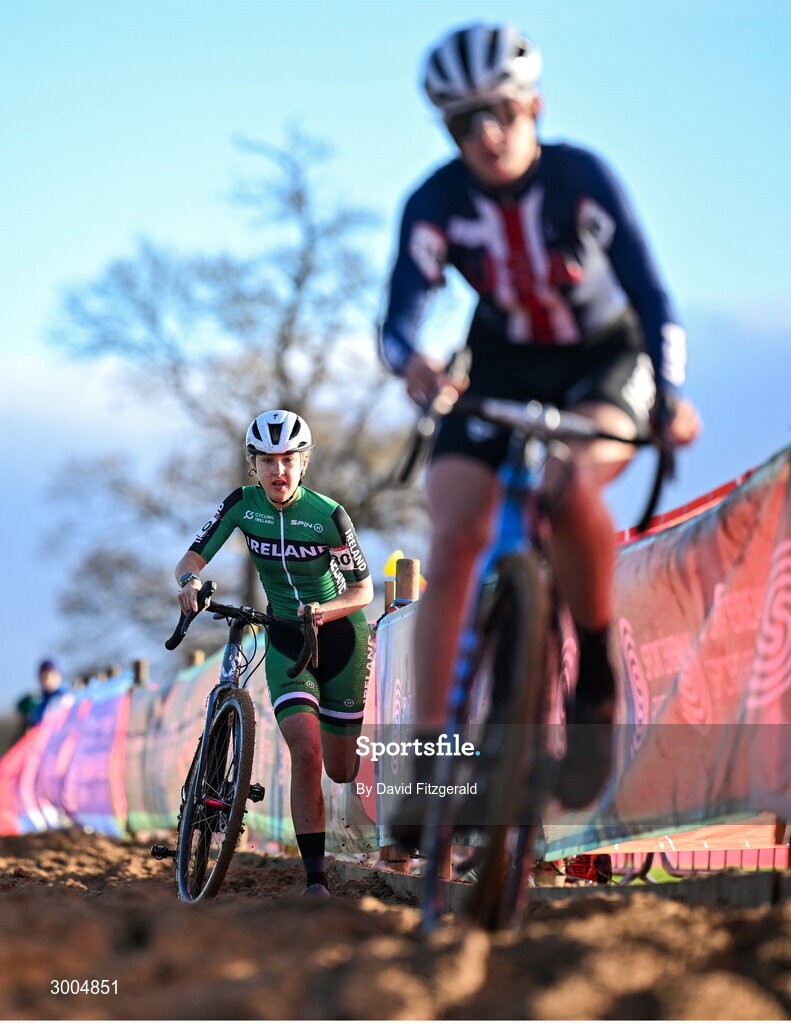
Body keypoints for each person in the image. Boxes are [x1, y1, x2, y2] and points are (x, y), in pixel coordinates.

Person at [379, 22, 701, 837]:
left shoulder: (580, 178)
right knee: (453, 534)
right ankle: (432, 760)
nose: (484, 134)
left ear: (533, 106)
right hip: (501, 365)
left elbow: (653, 298)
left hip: (602, 361)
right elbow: (395, 319)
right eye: (461, 122)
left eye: (499, 112)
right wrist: (412, 364)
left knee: (564, 486)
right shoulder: (435, 203)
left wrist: (668, 396)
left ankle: (593, 674)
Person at [174, 410, 373, 897]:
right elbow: (191, 557)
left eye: (288, 460)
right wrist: (189, 582)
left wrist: (325, 608)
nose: (278, 471)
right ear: (254, 465)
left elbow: (364, 590)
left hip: (341, 636)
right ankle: (315, 881)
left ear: (303, 463)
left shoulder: (328, 515)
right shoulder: (242, 506)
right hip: (284, 637)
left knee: (340, 768)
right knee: (305, 752)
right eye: (267, 461)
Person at [14, 658, 66, 739]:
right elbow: (20, 706)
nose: (47, 680)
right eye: (44, 677)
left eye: (51, 676)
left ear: (58, 675)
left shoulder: (67, 697)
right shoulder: (37, 699)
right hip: (40, 743)